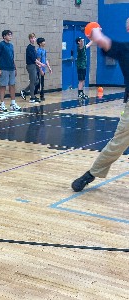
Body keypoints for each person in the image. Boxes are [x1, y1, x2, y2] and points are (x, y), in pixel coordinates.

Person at [71, 20, 129, 192]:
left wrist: (94, 31)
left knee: (116, 144)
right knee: (117, 144)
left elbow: (99, 37)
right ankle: (91, 174)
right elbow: (100, 39)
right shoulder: (124, 49)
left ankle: (90, 175)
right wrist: (95, 32)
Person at [0, 30, 21, 112]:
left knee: (12, 85)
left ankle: (13, 103)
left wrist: (15, 68)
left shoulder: (11, 46)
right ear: (4, 36)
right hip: (3, 68)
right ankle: (2, 104)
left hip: (11, 68)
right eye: (9, 35)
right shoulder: (0, 45)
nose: (10, 36)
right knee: (3, 86)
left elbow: (12, 58)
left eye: (11, 35)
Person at [20, 33, 45, 103]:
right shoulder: (29, 48)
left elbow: (35, 60)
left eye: (34, 38)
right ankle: (32, 97)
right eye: (31, 38)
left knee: (36, 81)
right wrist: (41, 64)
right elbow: (34, 59)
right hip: (30, 66)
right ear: (29, 39)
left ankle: (24, 91)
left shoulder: (33, 47)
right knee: (33, 81)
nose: (33, 39)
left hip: (34, 65)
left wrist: (38, 64)